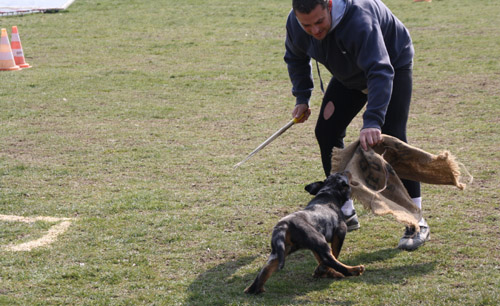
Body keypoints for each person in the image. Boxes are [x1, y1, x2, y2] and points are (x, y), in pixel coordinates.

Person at [285, 0, 429, 250]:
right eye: (307, 25)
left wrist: (372, 120)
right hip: (349, 75)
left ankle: (416, 221)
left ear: (329, 5)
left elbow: (380, 70)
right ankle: (344, 211)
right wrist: (302, 97)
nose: (315, 31)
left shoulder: (358, 18)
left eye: (319, 22)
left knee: (393, 138)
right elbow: (295, 56)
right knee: (326, 131)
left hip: (390, 65)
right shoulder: (297, 24)